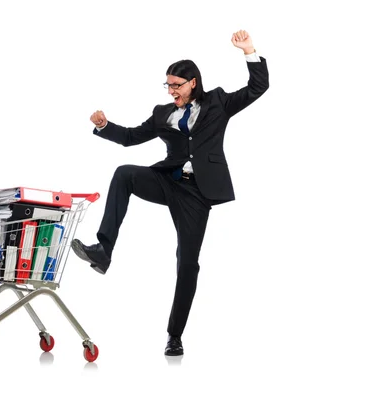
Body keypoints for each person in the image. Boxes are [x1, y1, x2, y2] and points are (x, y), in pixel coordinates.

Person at [71, 30, 269, 356]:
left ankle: (174, 335)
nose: (171, 90)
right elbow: (132, 137)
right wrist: (106, 126)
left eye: (176, 85)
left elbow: (257, 88)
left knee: (187, 263)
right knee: (125, 174)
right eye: (168, 85)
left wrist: (248, 51)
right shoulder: (163, 112)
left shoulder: (218, 102)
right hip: (167, 180)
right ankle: (103, 251)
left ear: (193, 83)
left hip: (197, 193)